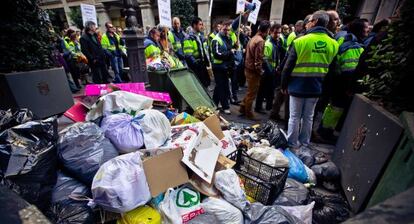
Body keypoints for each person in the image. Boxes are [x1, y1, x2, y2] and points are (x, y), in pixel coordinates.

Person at [281, 10, 339, 148]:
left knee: (294, 117)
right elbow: (333, 71)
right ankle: (305, 143)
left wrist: (283, 85)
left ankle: (292, 143)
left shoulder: (300, 41)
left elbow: (288, 66)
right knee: (309, 117)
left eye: (310, 21)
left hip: (297, 86)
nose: (307, 24)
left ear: (316, 22)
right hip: (316, 87)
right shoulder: (333, 44)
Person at [239, 20, 271, 120]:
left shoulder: (253, 38)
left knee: (250, 91)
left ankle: (242, 107)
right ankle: (249, 113)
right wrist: (260, 71)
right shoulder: (260, 41)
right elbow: (258, 60)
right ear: (267, 30)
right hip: (253, 71)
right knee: (252, 93)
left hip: (248, 69)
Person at [255, 23, 282, 113]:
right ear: (270, 32)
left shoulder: (277, 42)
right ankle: (258, 107)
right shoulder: (268, 44)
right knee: (262, 90)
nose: (278, 35)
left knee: (271, 90)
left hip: (273, 70)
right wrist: (270, 71)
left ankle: (268, 107)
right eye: (276, 33)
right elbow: (265, 59)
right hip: (267, 71)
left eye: (279, 33)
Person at [211, 20, 236, 115]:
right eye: (224, 29)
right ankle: (225, 106)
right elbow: (217, 54)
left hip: (225, 67)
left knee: (219, 86)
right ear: (221, 28)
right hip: (218, 67)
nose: (226, 31)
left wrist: (233, 47)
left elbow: (229, 49)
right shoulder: (216, 40)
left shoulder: (228, 38)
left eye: (228, 30)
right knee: (223, 87)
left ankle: (214, 104)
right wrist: (230, 52)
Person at [183, 17, 211, 87]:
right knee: (199, 86)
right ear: (194, 25)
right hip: (196, 67)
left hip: (202, 65)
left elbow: (205, 51)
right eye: (200, 24)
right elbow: (188, 54)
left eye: (202, 24)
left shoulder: (201, 36)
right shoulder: (188, 38)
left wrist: (207, 62)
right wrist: (196, 64)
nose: (202, 26)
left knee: (206, 83)